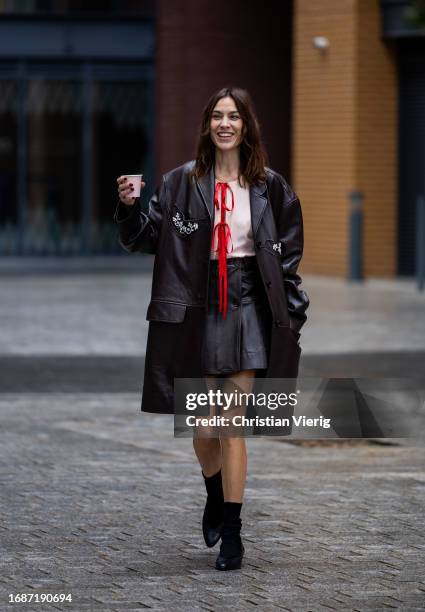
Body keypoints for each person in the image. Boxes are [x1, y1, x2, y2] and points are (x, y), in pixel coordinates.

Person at [114, 86, 309, 571]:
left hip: (248, 304)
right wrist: (131, 206)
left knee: (230, 425)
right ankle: (214, 497)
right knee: (203, 427)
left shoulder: (271, 186)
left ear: (246, 126)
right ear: (207, 126)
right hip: (197, 309)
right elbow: (147, 239)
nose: (226, 124)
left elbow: (288, 255)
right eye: (218, 116)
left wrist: (292, 313)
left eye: (234, 116)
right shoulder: (181, 183)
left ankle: (234, 537)